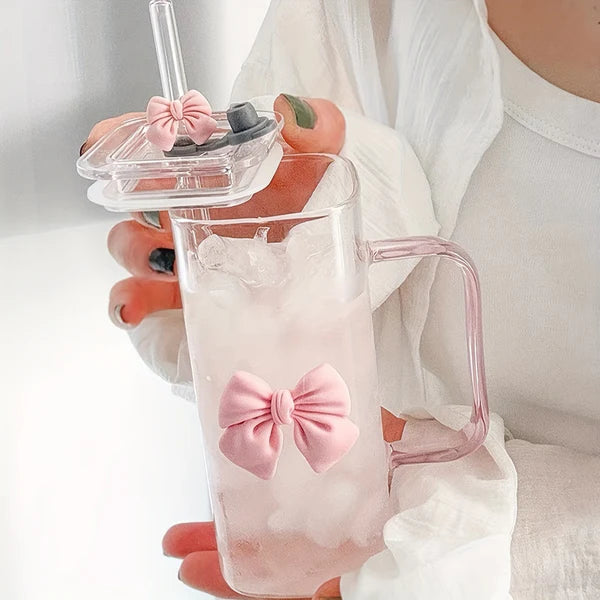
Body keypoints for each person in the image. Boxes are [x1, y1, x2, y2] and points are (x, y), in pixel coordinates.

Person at [82, 0, 600, 598]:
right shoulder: (345, 12)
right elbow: (271, 219)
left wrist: (506, 548)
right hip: (341, 541)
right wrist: (337, 199)